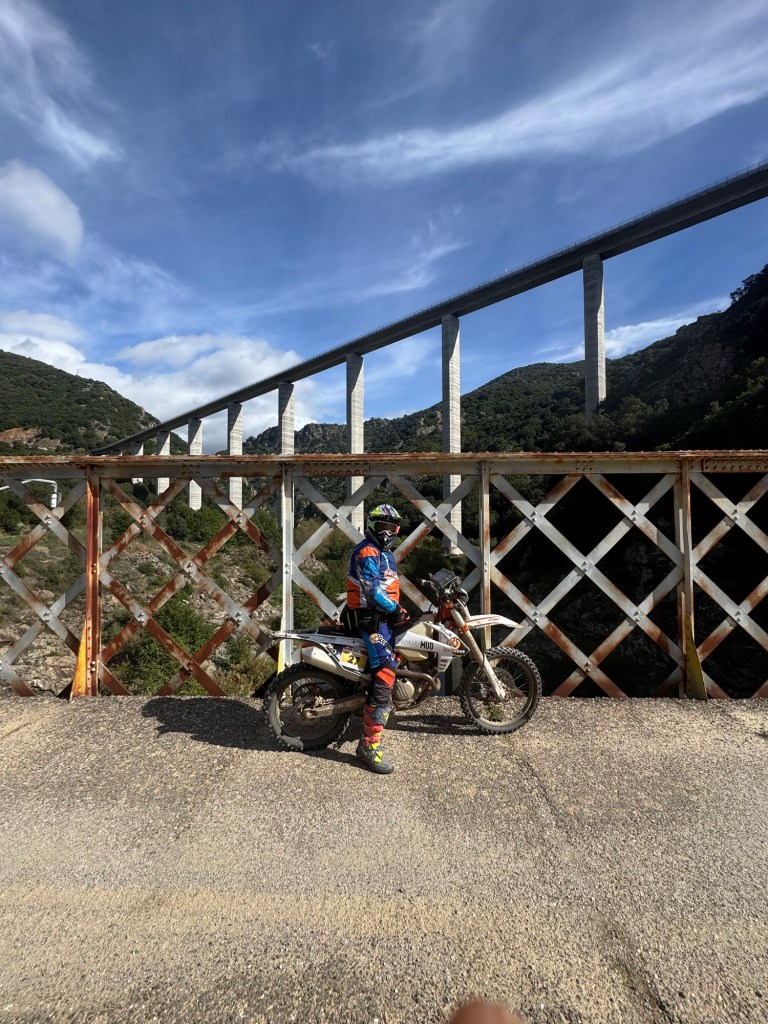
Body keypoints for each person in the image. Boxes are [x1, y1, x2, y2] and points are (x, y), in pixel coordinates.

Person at [344, 503, 410, 775]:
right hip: (370, 621)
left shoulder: (386, 554)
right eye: (381, 526)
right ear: (371, 525)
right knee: (385, 673)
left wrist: (398, 611)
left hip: (382, 620)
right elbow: (372, 590)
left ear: (396, 530)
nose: (385, 532)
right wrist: (395, 610)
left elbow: (388, 588)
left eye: (390, 527)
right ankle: (369, 745)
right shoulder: (368, 551)